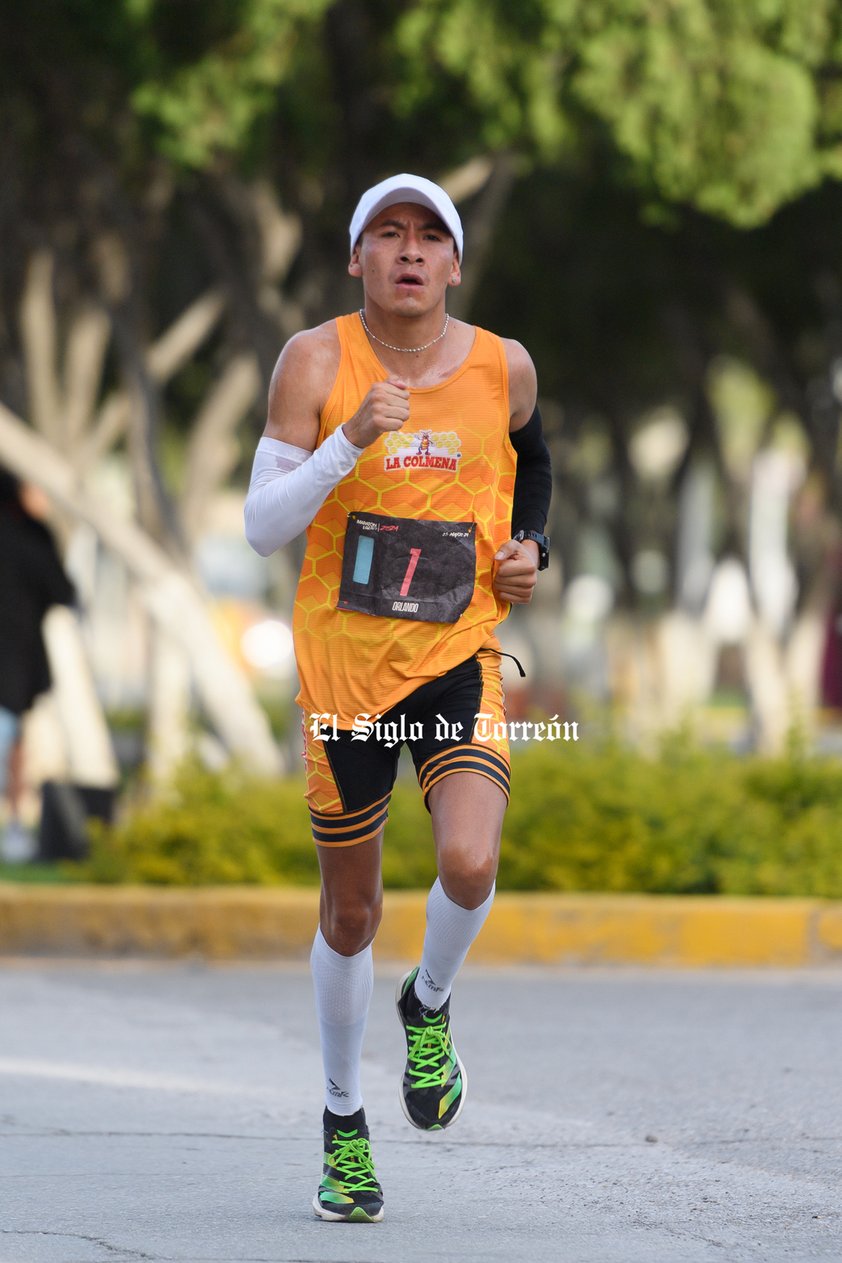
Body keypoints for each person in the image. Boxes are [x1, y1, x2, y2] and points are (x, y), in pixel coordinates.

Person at [244, 173, 551, 1222]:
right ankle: (342, 1123)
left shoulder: (499, 365)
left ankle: (427, 1005)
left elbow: (535, 460)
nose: (409, 251)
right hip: (340, 674)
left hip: (456, 659)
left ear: (454, 263)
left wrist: (530, 551)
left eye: (430, 236)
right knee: (351, 910)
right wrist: (347, 442)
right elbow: (259, 526)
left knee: (469, 860)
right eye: (387, 234)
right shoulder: (316, 361)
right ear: (356, 257)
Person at [0, 470, 76, 861]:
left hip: (15, 663)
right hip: (15, 662)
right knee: (11, 745)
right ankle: (12, 828)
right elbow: (63, 590)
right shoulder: (29, 534)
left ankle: (12, 828)